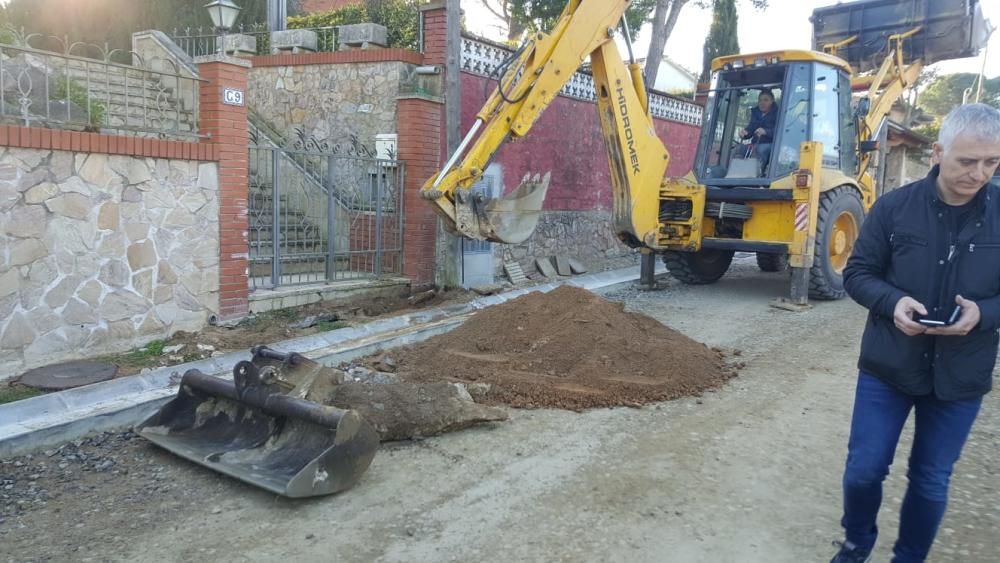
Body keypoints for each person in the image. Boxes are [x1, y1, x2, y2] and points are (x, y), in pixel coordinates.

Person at [831, 103, 1000, 563]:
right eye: (967, 161)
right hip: (889, 364)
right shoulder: (893, 208)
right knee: (864, 470)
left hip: (961, 375)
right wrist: (893, 302)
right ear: (938, 153)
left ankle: (909, 557)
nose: (979, 173)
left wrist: (983, 314)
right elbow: (858, 273)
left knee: (930, 479)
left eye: (992, 162)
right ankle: (855, 542)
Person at [740, 89, 778, 169]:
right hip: (755, 143)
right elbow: (751, 127)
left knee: (760, 149)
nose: (762, 103)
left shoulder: (778, 113)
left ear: (772, 101)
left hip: (772, 144)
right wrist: (745, 133)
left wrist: (766, 132)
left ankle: (758, 174)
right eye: (760, 100)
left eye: (766, 100)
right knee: (738, 149)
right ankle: (734, 173)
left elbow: (781, 131)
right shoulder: (756, 112)